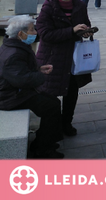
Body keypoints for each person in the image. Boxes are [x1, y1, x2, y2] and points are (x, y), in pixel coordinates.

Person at [36, 0, 95, 137]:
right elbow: (45, 34)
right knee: (51, 95)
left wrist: (86, 31)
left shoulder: (80, 5)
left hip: (73, 58)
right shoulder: (49, 6)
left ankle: (66, 123)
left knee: (71, 92)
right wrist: (72, 30)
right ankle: (50, 129)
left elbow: (85, 23)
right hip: (52, 57)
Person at [0, 16, 63, 159]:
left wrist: (39, 69)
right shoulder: (13, 53)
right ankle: (42, 149)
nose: (35, 32)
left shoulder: (14, 45)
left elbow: (21, 72)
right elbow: (22, 80)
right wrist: (42, 76)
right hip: (10, 97)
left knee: (52, 102)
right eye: (32, 29)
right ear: (21, 34)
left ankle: (45, 141)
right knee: (51, 107)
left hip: (14, 91)